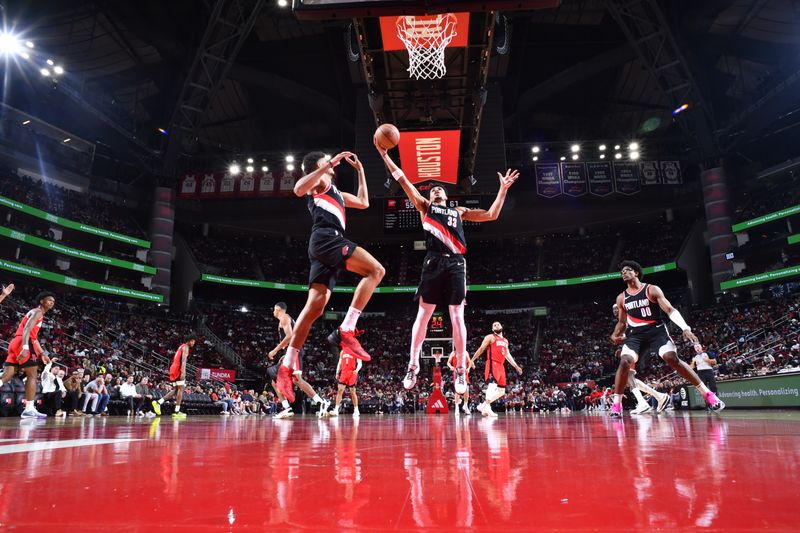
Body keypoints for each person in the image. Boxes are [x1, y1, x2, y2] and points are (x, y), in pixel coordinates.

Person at [375, 139, 519, 394]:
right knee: (423, 315)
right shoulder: (425, 207)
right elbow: (403, 180)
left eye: (440, 190)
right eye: (433, 191)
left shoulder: (459, 211)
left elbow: (491, 215)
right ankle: (413, 364)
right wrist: (384, 155)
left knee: (456, 316)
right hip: (433, 260)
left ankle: (461, 370)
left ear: (447, 195)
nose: (436, 191)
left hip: (456, 263)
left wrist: (503, 190)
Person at [276, 151, 385, 403]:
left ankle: (287, 366)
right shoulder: (320, 182)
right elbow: (297, 189)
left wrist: (361, 171)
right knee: (376, 271)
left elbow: (364, 201)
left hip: (324, 244)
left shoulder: (335, 192)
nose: (332, 164)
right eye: (326, 161)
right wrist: (328, 166)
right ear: (318, 165)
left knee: (313, 309)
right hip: (328, 238)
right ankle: (346, 328)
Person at [609, 260, 725, 418]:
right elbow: (622, 322)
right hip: (636, 335)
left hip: (656, 331)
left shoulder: (651, 289)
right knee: (624, 362)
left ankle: (707, 394)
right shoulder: (621, 298)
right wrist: (615, 335)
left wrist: (685, 328)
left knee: (671, 358)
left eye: (627, 270)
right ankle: (617, 404)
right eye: (622, 271)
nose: (624, 273)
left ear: (636, 273)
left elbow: (670, 309)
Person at [270, 302, 332, 417]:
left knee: (297, 380)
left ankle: (321, 402)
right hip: (290, 352)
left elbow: (289, 336)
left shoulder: (284, 317)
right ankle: (287, 408)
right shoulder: (286, 318)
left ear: (278, 309)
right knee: (276, 380)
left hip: (293, 351)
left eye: (274, 309)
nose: (273, 312)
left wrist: (275, 350)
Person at [0, 291, 56, 419]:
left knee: (6, 376)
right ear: (41, 301)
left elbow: (34, 337)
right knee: (32, 375)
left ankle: (29, 409)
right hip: (23, 343)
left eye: (53, 301)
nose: (52, 303)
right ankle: (29, 409)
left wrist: (42, 353)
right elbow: (27, 330)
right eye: (49, 300)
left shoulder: (36, 313)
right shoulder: (38, 312)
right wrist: (25, 347)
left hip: (16, 342)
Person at [611, 303, 669, 415]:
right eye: (613, 309)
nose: (615, 311)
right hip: (631, 349)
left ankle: (643, 403)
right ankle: (659, 397)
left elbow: (635, 334)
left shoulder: (629, 317)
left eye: (616, 309)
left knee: (628, 376)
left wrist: (622, 340)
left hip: (636, 349)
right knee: (630, 377)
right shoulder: (622, 321)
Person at [471, 321, 523, 417]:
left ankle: (483, 405)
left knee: (501, 391)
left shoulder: (505, 341)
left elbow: (507, 355)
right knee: (492, 386)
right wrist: (472, 359)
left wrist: (516, 366)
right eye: (494, 325)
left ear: (501, 326)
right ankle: (487, 408)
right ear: (492, 329)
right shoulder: (490, 337)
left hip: (501, 366)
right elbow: (481, 348)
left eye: (498, 324)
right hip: (492, 363)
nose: (496, 325)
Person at [152, 337, 195, 419]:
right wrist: (183, 372)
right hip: (178, 369)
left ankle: (158, 402)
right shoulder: (186, 347)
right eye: (192, 341)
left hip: (173, 368)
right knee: (181, 389)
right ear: (188, 340)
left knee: (176, 390)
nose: (193, 343)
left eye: (194, 341)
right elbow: (183, 361)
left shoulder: (181, 346)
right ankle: (177, 411)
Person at [330, 349, 362, 417]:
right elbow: (339, 363)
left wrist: (357, 370)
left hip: (352, 372)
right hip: (344, 372)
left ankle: (356, 410)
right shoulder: (342, 351)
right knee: (340, 391)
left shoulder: (355, 350)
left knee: (353, 392)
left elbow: (360, 363)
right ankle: (336, 410)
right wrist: (337, 372)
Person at [446, 350, 473, 415]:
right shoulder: (453, 353)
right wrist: (451, 367)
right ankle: (457, 408)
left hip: (464, 373)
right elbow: (448, 362)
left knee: (466, 391)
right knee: (457, 391)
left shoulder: (466, 352)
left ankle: (466, 406)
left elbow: (470, 362)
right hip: (457, 373)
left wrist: (469, 368)